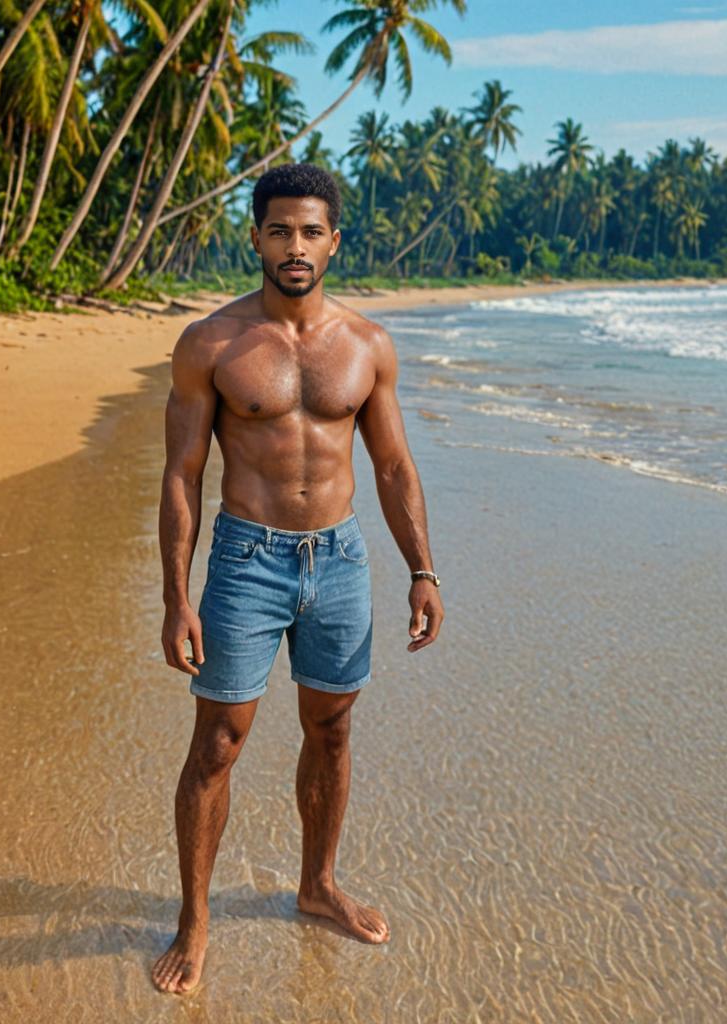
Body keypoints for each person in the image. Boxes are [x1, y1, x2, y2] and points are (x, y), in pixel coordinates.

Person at [152, 163, 444, 994]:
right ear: (255, 237)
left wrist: (422, 569)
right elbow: (181, 474)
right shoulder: (211, 344)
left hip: (341, 559)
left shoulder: (367, 346)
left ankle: (317, 886)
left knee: (334, 732)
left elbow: (391, 465)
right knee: (217, 743)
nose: (295, 246)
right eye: (279, 230)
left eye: (311, 231)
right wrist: (177, 595)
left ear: (334, 241)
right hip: (247, 559)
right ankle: (194, 921)